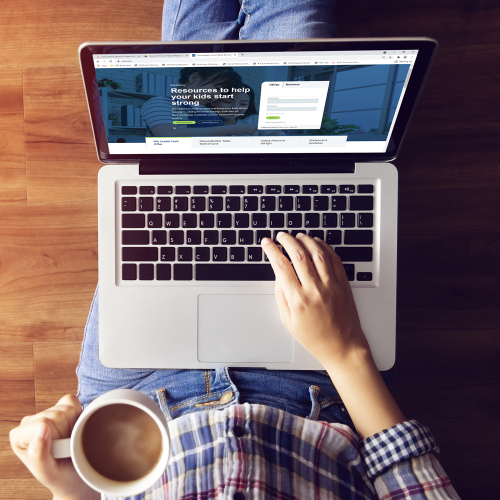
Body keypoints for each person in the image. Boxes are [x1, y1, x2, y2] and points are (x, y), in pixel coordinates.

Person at [10, 2, 460, 498]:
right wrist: (345, 350)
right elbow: (407, 471)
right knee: (298, 39)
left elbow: (93, 493)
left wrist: (64, 482)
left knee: (190, 91)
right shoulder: (335, 355)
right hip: (318, 377)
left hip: (137, 402)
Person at [141, 67, 258, 137]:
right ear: (194, 78)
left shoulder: (206, 110)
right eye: (217, 88)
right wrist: (233, 129)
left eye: (221, 93)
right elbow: (166, 134)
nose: (217, 96)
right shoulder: (161, 102)